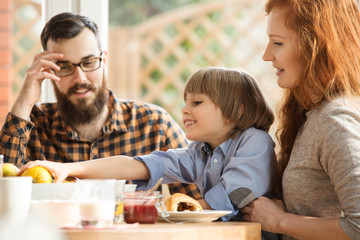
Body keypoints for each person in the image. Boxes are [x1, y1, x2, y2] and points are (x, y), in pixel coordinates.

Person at [20, 66, 276, 223]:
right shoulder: (199, 152)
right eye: (186, 102)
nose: (184, 110)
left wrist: (162, 209)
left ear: (236, 112)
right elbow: (134, 166)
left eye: (197, 103)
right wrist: (69, 169)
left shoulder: (255, 142)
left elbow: (232, 195)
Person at [0, 12, 200, 199]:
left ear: (104, 60)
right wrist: (23, 103)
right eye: (64, 67)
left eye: (88, 62)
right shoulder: (32, 125)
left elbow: (199, 203)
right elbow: (4, 194)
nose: (80, 78)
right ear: (48, 71)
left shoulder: (155, 125)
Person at [240, 1, 360, 240]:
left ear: (316, 46)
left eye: (278, 43)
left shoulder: (335, 121)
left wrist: (279, 221)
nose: (266, 55)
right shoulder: (313, 114)